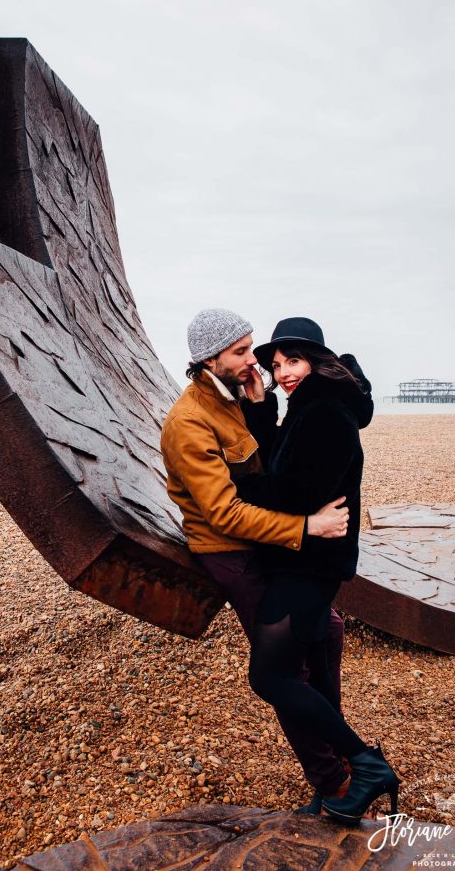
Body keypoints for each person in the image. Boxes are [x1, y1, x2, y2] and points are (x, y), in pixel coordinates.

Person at [160, 308, 354, 809]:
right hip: (232, 553)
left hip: (266, 544)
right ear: (209, 359)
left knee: (326, 631)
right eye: (242, 352)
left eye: (253, 349)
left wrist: (260, 404)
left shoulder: (237, 399)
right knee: (286, 672)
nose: (257, 362)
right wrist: (306, 528)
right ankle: (334, 781)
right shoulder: (189, 422)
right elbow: (224, 513)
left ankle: (336, 746)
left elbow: (272, 463)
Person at [235, 316, 399, 823]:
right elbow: (284, 461)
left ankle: (369, 768)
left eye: (293, 362)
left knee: (270, 676)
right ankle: (341, 783)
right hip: (305, 558)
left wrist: (229, 490)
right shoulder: (308, 406)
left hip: (307, 565)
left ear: (318, 362)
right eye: (277, 363)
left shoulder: (327, 412)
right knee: (320, 677)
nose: (282, 372)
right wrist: (260, 406)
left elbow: (296, 492)